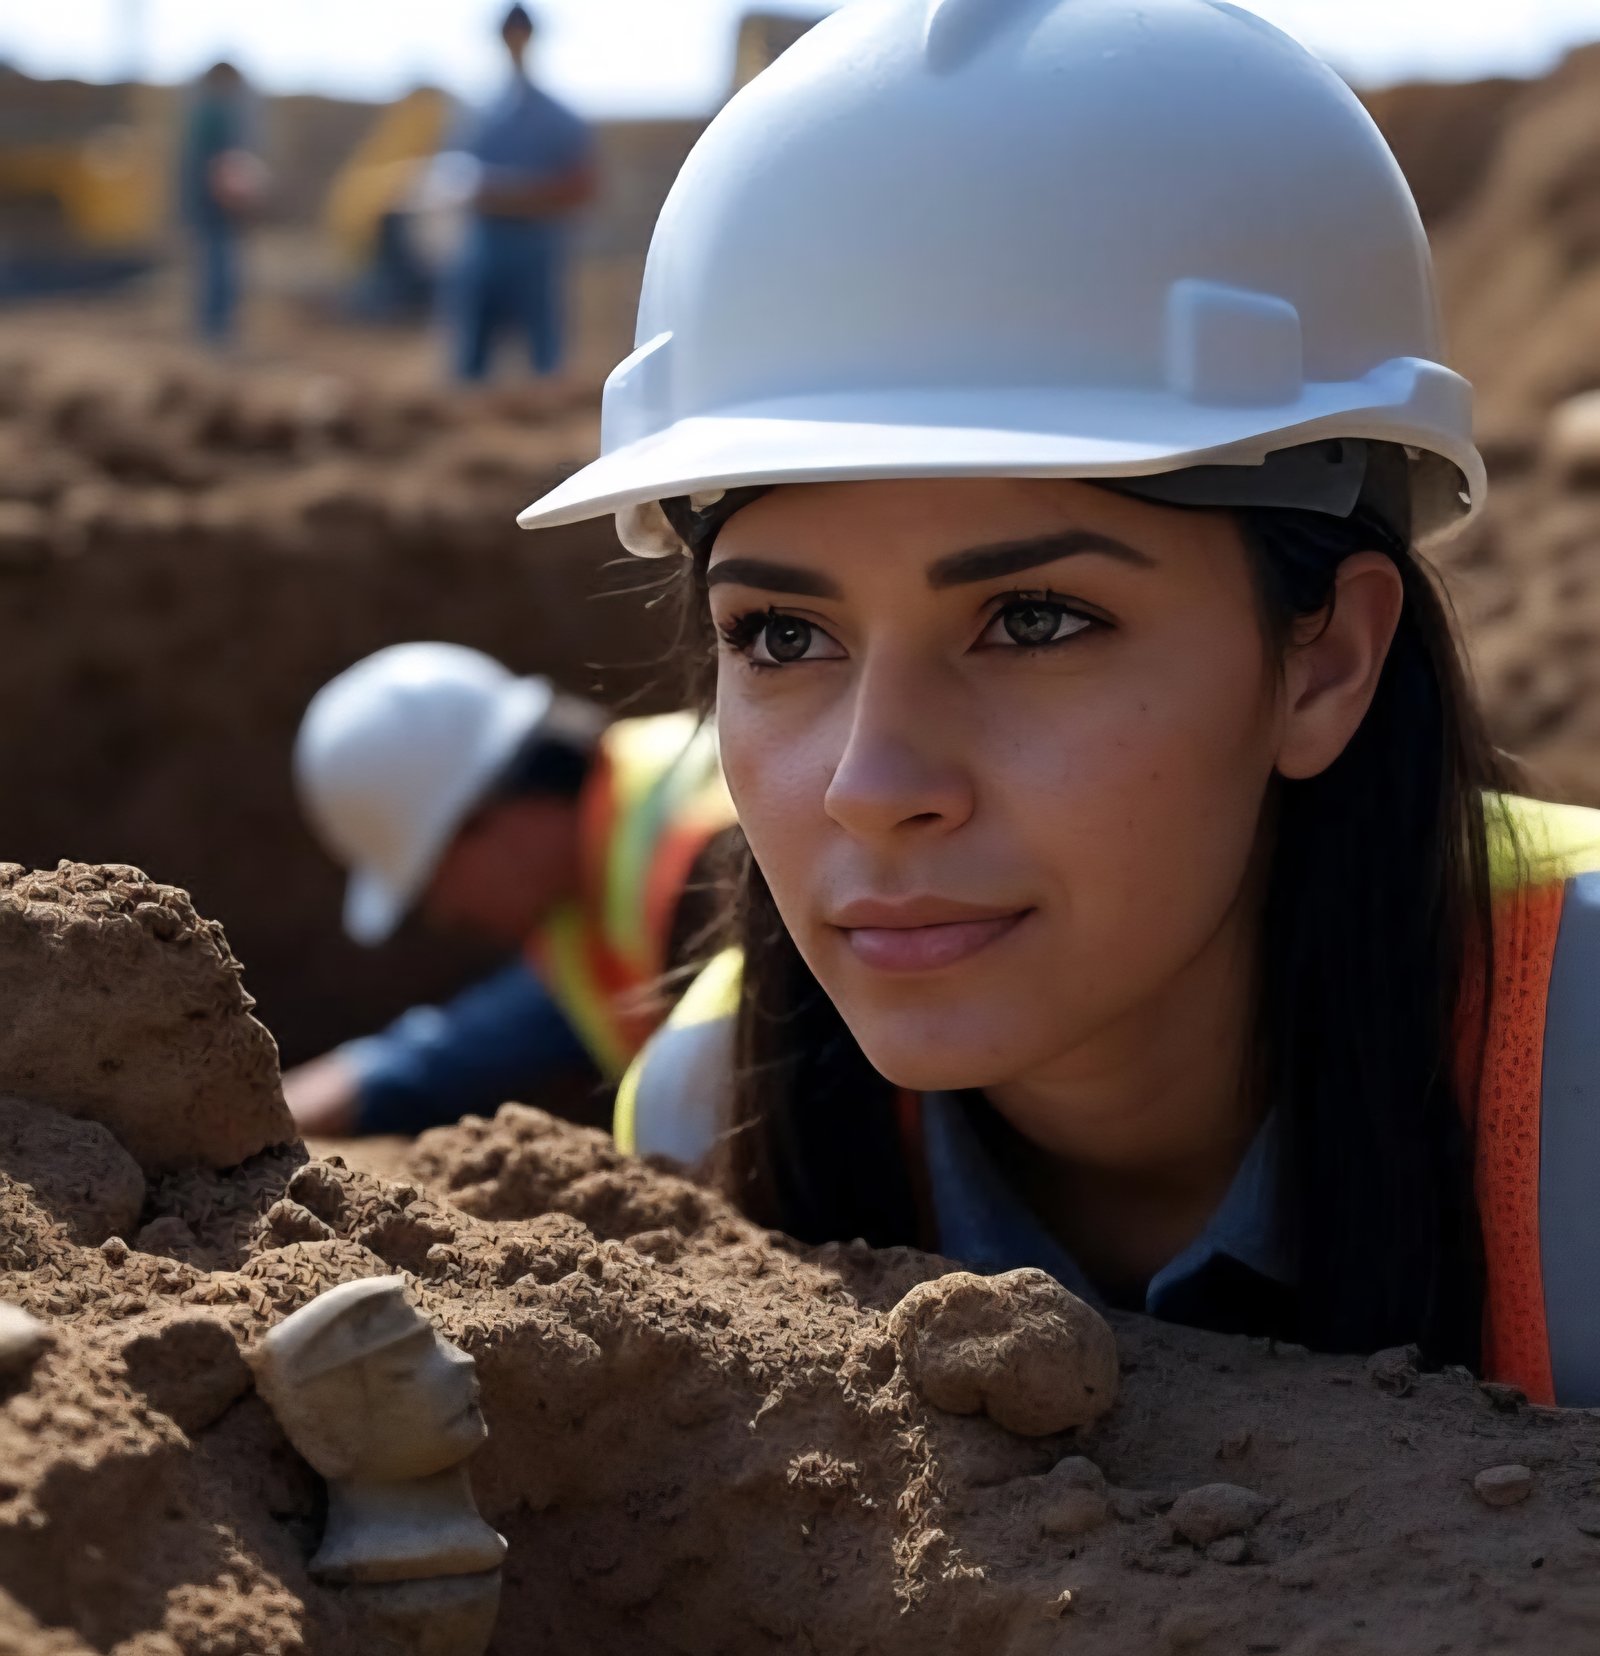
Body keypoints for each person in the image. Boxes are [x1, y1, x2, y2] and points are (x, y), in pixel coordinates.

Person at [517, 0, 1600, 1406]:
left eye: (1034, 622)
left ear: (1325, 662)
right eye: (782, 635)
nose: (871, 781)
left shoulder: (1575, 1064)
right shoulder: (710, 1114)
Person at [283, 643, 733, 1138]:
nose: (445, 913)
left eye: (434, 880)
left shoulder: (714, 853)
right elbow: (465, 1049)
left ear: (482, 817)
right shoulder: (592, 900)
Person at [443, 5, 595, 383]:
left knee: (545, 360)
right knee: (469, 364)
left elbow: (583, 186)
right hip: (484, 244)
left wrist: (516, 194)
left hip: (536, 247)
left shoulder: (559, 119)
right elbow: (453, 177)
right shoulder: (478, 114)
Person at [176, 61, 263, 345]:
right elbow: (222, 169)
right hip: (214, 206)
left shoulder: (206, 113)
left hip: (208, 204)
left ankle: (214, 327)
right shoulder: (216, 115)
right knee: (219, 265)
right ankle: (216, 329)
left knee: (215, 264)